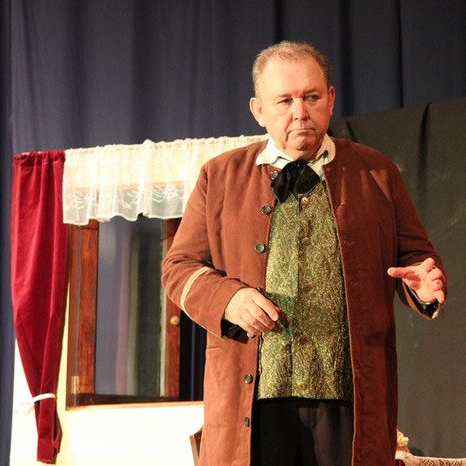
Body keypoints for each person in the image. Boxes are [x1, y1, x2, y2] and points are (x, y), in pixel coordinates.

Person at [161, 40, 447, 466]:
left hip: (348, 400)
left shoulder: (376, 172)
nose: (300, 112)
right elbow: (178, 268)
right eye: (285, 101)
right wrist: (229, 299)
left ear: (330, 99)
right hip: (253, 401)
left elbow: (416, 258)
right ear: (259, 110)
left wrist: (423, 286)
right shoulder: (220, 177)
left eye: (311, 97)